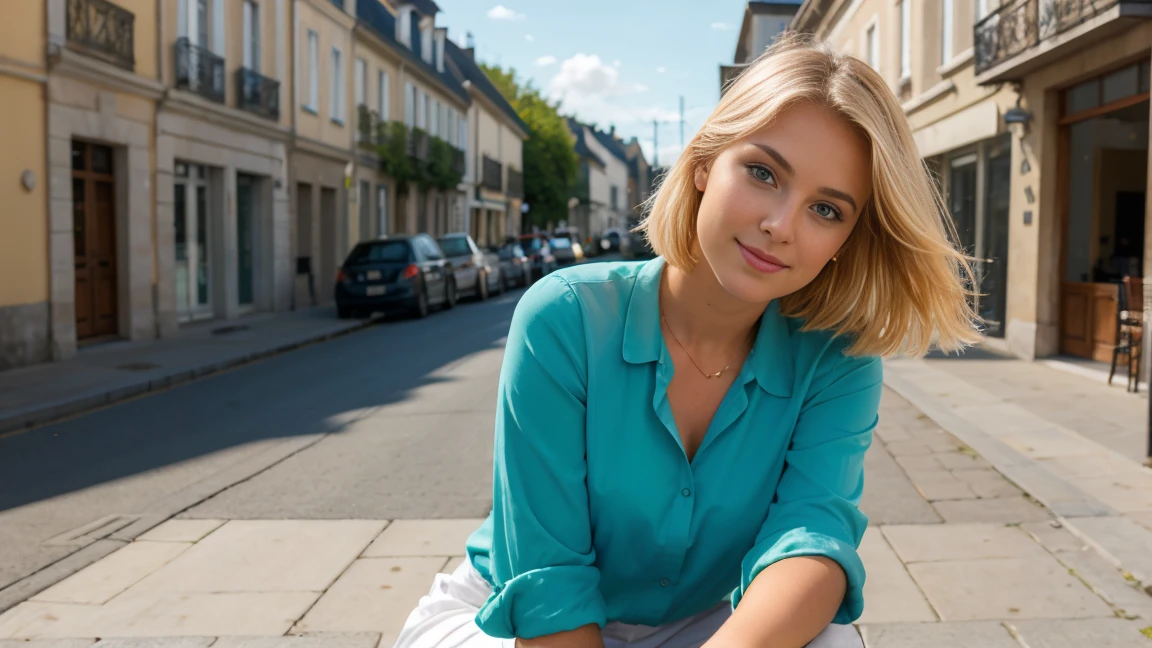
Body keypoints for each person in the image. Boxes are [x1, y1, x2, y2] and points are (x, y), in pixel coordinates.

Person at [395, 34, 980, 648]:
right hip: (507, 616)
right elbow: (548, 583)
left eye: (827, 210)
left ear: (848, 239)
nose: (779, 225)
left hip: (707, 620)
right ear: (704, 160)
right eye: (762, 173)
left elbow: (813, 541)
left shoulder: (837, 358)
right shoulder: (563, 318)